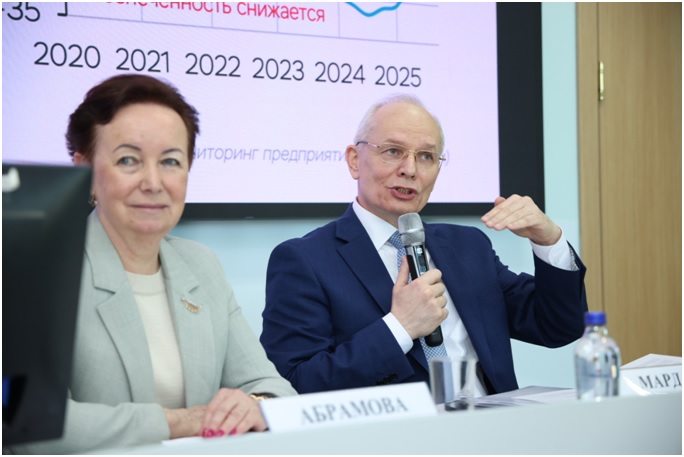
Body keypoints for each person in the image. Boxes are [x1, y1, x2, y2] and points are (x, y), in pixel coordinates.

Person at [13, 75, 296, 454]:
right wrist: (181, 422)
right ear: (84, 171)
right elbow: (30, 424)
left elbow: (273, 389)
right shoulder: (34, 272)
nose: (153, 182)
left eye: (170, 161)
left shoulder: (202, 265)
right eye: (128, 160)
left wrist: (255, 406)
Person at [260, 94, 588, 396]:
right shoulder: (305, 260)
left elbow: (557, 327)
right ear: (354, 160)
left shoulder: (468, 246)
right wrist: (400, 327)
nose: (410, 169)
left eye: (426, 156)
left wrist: (549, 240)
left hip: (491, 426)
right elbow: (297, 383)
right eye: (393, 151)